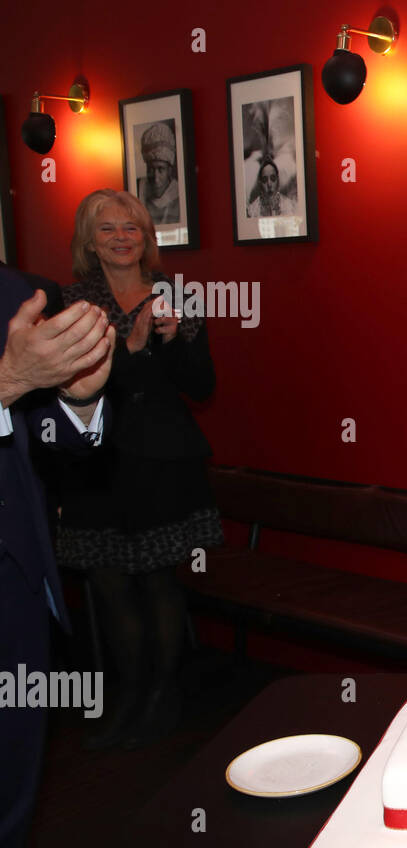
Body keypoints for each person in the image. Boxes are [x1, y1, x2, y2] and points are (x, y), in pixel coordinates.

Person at [49, 188, 221, 750]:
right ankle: (132, 691)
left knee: (158, 580)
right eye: (109, 229)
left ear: (147, 239)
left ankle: (162, 695)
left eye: (133, 229)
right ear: (88, 241)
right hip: (97, 467)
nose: (123, 238)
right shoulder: (71, 303)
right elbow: (72, 390)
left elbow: (203, 386)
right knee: (110, 582)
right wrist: (136, 347)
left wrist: (168, 344)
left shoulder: (175, 296)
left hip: (166, 466)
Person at [0, 267, 115, 848]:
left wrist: (80, 397)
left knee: (12, 805)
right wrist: (7, 381)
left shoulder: (19, 294)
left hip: (17, 592)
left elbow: (42, 439)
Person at [137, 122, 180, 225]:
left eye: (161, 169)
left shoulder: (179, 195)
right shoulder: (140, 189)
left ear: (169, 170)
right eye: (151, 169)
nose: (156, 178)